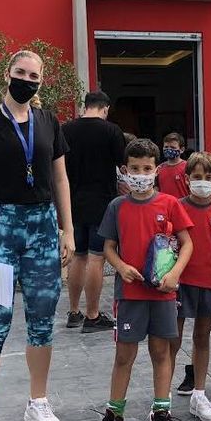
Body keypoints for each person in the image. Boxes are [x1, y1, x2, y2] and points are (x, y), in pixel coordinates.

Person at [0, 50, 76, 421]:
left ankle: (37, 402)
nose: (27, 79)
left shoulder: (49, 122)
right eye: (21, 72)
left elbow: (60, 180)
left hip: (42, 225)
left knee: (43, 318)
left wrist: (67, 229)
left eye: (34, 75)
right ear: (7, 75)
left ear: (41, 81)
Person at [87, 138, 194, 421]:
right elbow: (108, 246)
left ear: (156, 169)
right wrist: (120, 266)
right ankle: (114, 417)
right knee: (124, 356)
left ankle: (161, 415)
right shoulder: (116, 207)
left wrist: (174, 274)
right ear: (124, 170)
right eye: (134, 168)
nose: (140, 174)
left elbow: (187, 243)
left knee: (161, 353)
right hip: (129, 295)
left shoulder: (170, 204)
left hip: (162, 294)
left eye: (147, 168)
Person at [169, 152, 211, 421]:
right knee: (172, 339)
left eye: (209, 178)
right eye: (197, 177)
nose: (203, 182)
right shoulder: (175, 207)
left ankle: (199, 393)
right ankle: (163, 398)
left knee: (202, 338)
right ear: (187, 179)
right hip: (179, 284)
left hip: (209, 285)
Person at [62, 91, 125, 333]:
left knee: (77, 257)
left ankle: (74, 311)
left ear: (85, 106)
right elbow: (123, 165)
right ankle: (93, 315)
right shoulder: (111, 131)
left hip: (73, 203)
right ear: (105, 108)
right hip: (102, 203)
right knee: (96, 258)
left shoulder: (65, 130)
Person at [157, 132, 189, 198]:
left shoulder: (187, 167)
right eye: (166, 147)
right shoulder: (159, 168)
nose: (169, 149)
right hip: (165, 207)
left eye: (173, 147)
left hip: (182, 207)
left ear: (182, 150)